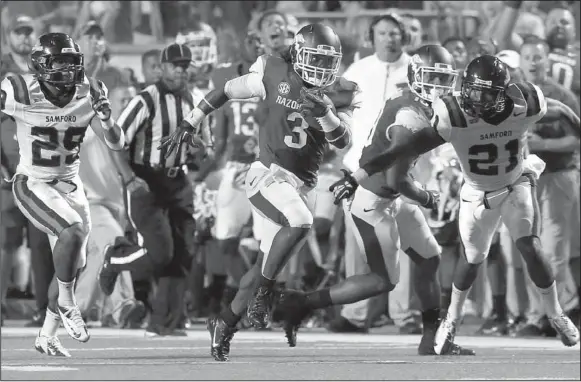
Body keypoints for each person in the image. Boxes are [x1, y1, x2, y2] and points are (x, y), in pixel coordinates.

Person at [329, 54, 581, 352]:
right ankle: (451, 320)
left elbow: (561, 110)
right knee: (473, 259)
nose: (477, 99)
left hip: (515, 184)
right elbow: (403, 149)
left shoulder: (525, 102)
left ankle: (556, 314)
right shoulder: (454, 114)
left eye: (486, 93)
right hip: (477, 192)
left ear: (502, 92)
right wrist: (357, 176)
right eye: (473, 90)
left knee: (530, 245)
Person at [160, 23, 357, 361]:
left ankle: (224, 322)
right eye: (315, 59)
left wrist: (325, 114)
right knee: (300, 222)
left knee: (266, 264)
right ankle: (265, 293)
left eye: (328, 61)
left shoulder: (341, 91)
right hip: (265, 174)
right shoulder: (273, 70)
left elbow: (343, 142)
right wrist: (190, 122)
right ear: (298, 53)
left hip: (302, 185)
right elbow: (226, 90)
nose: (322, 68)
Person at [278, 45, 474, 356]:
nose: (438, 86)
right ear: (414, 77)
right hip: (372, 200)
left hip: (393, 193)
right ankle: (301, 302)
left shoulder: (416, 105)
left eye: (443, 78)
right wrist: (425, 196)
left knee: (428, 258)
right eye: (431, 77)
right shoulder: (409, 115)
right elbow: (396, 175)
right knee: (382, 281)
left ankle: (432, 339)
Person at [1, 32, 125, 356]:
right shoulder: (17, 89)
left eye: (71, 62)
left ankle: (47, 335)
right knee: (72, 233)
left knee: (73, 262)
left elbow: (116, 142)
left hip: (71, 185)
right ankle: (69, 303)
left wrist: (107, 117)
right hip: (33, 183)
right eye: (59, 62)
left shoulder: (90, 90)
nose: (67, 70)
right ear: (42, 64)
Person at [101, 43, 200, 337]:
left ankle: (164, 321)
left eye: (185, 65)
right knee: (160, 253)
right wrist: (130, 178)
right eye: (175, 65)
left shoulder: (191, 99)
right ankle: (116, 258)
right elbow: (115, 139)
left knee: (184, 252)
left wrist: (199, 150)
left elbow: (198, 144)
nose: (181, 70)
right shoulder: (146, 99)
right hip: (147, 181)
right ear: (163, 67)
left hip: (178, 181)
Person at [338, 13, 420, 335]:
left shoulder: (416, 68)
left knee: (406, 241)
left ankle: (405, 314)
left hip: (406, 167)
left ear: (404, 36)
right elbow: (340, 109)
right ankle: (355, 313)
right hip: (359, 166)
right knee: (358, 242)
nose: (390, 39)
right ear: (372, 37)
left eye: (395, 33)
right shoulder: (358, 70)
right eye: (383, 33)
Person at [517, 36, 581, 335]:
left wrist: (543, 143)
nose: (533, 61)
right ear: (520, 61)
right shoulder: (511, 94)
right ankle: (538, 315)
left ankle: (560, 313)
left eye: (538, 56)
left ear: (547, 60)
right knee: (528, 250)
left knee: (554, 250)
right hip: (522, 181)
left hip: (557, 176)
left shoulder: (562, 96)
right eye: (527, 56)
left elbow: (575, 139)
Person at [193, 30, 264, 301]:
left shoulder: (280, 81)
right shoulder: (227, 83)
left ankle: (268, 298)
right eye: (252, 39)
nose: (256, 45)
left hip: (269, 169)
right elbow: (220, 142)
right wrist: (200, 176)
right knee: (225, 241)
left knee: (267, 244)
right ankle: (255, 299)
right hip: (236, 168)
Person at [0, 14, 53, 329]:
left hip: (40, 170)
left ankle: (43, 309)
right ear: (9, 36)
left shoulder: (46, 72)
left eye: (28, 32)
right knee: (6, 242)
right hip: (8, 169)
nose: (23, 38)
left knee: (40, 243)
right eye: (18, 33)